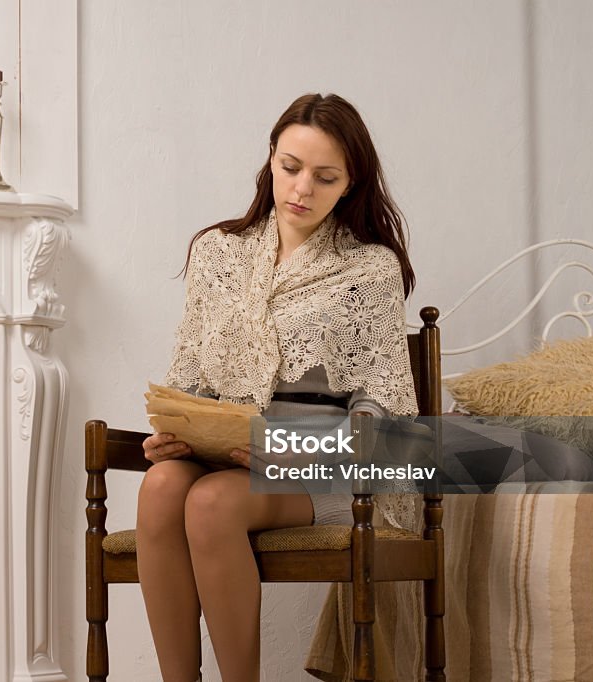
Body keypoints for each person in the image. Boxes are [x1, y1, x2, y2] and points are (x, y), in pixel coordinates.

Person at [136, 93, 418, 682]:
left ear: (350, 183)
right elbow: (190, 378)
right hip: (228, 454)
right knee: (162, 486)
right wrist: (177, 433)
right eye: (290, 167)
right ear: (270, 158)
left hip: (325, 471)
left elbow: (384, 413)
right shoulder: (219, 252)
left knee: (211, 504)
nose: (302, 189)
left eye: (325, 177)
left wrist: (296, 453)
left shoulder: (369, 269)